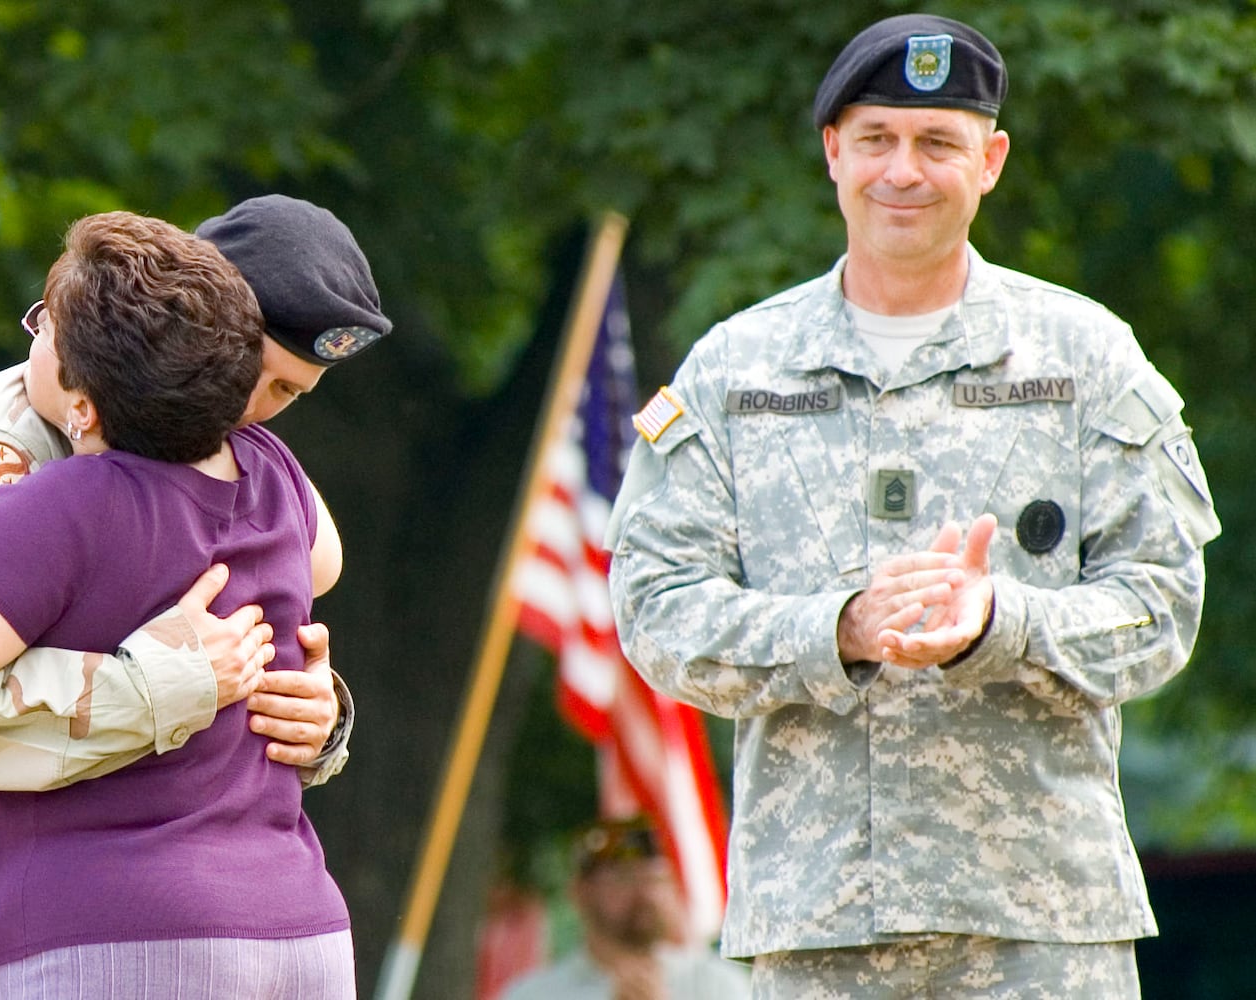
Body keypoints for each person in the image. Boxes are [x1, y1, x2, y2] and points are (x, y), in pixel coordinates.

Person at [606, 13, 1220, 999]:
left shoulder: (1085, 359)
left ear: (989, 160)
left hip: (1039, 923)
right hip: (815, 923)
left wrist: (1000, 622)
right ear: (831, 154)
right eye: (875, 139)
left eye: (937, 142)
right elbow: (654, 606)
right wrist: (834, 627)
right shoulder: (734, 370)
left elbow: (1161, 608)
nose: (903, 170)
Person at [0, 194, 391, 999]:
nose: (241, 408)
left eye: (282, 393)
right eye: (249, 371)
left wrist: (309, 708)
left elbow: (298, 576)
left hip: (122, 915)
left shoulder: (225, 456)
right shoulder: (0, 453)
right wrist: (164, 683)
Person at [500, 817, 748, 1000]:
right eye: (625, 878)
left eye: (656, 879)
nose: (646, 892)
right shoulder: (533, 994)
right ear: (580, 892)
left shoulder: (718, 985)